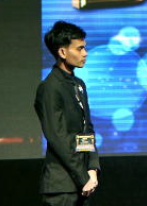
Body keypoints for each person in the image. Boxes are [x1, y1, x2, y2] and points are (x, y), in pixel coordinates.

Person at [34, 21, 100, 206]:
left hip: (82, 183)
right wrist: (83, 176)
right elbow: (57, 136)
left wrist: (92, 168)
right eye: (79, 48)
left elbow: (86, 130)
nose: (85, 53)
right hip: (61, 186)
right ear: (62, 52)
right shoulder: (50, 87)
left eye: (84, 48)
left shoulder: (79, 85)